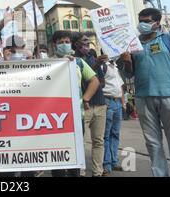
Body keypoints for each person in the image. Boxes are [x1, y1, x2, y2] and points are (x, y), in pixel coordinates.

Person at [120, 8, 170, 177]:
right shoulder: (133, 44)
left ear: (157, 23)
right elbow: (128, 74)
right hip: (143, 98)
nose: (142, 24)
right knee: (153, 143)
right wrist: (127, 62)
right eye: (140, 21)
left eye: (146, 21)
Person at [51, 30, 100, 177]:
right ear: (55, 45)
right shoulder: (48, 61)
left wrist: (85, 98)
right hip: (52, 116)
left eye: (67, 42)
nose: (64, 45)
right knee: (57, 154)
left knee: (75, 153)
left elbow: (94, 81)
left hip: (75, 114)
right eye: (60, 42)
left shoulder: (78, 62)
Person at [72, 32, 107, 177]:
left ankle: (97, 171)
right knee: (79, 140)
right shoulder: (73, 61)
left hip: (99, 104)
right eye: (83, 41)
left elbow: (100, 82)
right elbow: (80, 82)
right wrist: (95, 64)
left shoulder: (93, 58)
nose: (87, 43)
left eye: (88, 41)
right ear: (76, 44)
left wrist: (98, 66)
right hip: (82, 106)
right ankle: (80, 170)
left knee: (98, 140)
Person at [102, 57, 126, 175]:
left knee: (115, 134)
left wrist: (123, 103)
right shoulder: (103, 66)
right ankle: (106, 163)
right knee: (106, 135)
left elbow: (120, 86)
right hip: (107, 102)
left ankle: (114, 161)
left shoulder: (115, 67)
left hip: (117, 104)